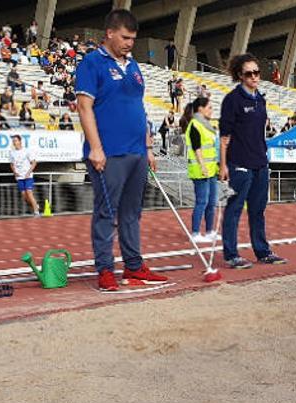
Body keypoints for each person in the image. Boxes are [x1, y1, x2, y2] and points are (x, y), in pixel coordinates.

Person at [76, 9, 167, 291]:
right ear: (110, 33)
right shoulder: (92, 63)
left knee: (132, 212)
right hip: (108, 153)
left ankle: (134, 265)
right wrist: (96, 148)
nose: (129, 43)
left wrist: (149, 147)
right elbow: (84, 106)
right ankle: (105, 270)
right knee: (106, 212)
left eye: (133, 39)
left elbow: (138, 108)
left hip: (137, 152)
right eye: (125, 37)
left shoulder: (134, 66)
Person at [218, 52, 286, 268]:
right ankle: (231, 254)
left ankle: (262, 251)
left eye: (257, 73)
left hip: (260, 162)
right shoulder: (232, 100)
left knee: (258, 210)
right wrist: (223, 165)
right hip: (239, 163)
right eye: (249, 74)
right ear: (240, 75)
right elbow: (224, 136)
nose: (254, 77)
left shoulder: (261, 100)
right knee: (235, 208)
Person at [181, 97, 220, 243]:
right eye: (209, 107)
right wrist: (203, 166)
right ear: (200, 109)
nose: (211, 110)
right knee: (201, 202)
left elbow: (211, 148)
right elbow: (197, 148)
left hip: (211, 169)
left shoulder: (207, 125)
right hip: (200, 170)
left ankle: (209, 231)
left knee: (212, 201)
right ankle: (195, 233)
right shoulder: (195, 125)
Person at [9, 135, 40, 217]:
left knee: (29, 193)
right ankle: (36, 206)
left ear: (20, 141)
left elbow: (34, 162)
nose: (14, 142)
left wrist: (28, 172)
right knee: (25, 198)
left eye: (15, 140)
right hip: (19, 177)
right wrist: (14, 172)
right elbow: (11, 164)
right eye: (13, 141)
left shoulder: (26, 151)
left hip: (28, 176)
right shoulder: (12, 152)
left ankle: (36, 212)